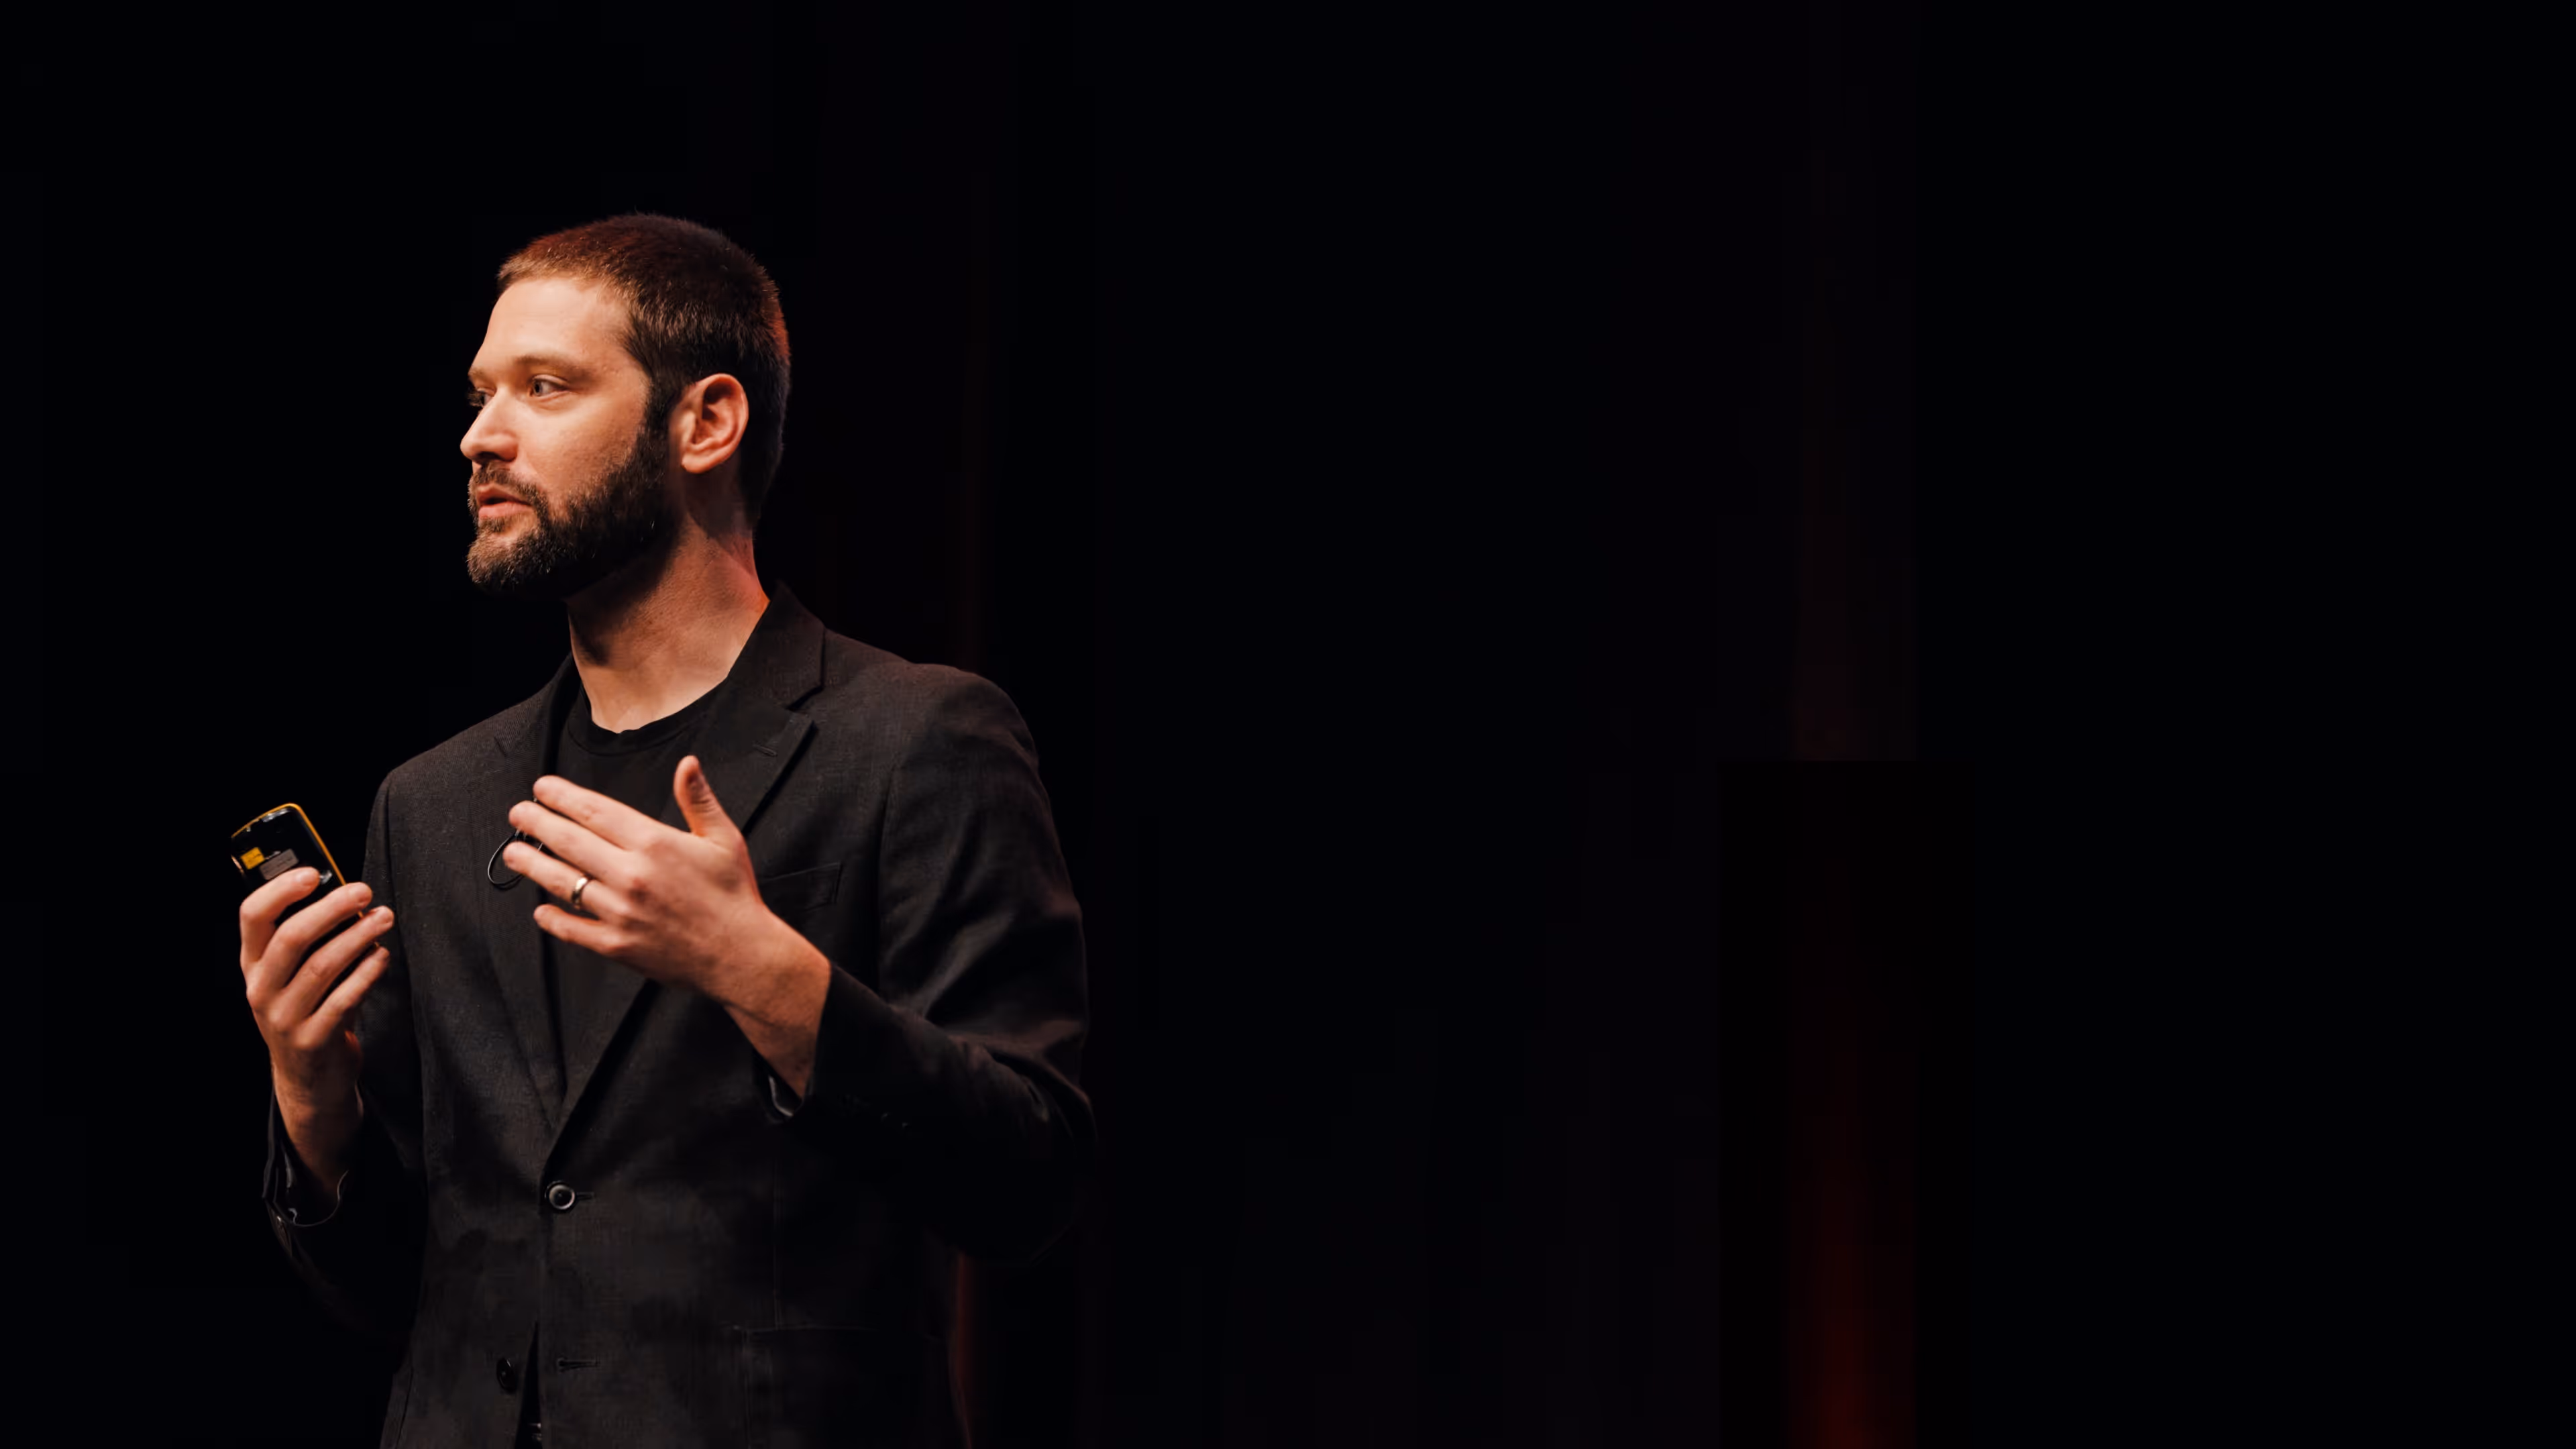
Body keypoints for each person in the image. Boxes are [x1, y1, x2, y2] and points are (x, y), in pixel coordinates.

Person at [237, 214, 1093, 1448]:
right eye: (482, 393)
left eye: (546, 387)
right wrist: (315, 1107)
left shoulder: (917, 741)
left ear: (706, 423)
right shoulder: (429, 804)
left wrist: (766, 974)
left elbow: (1032, 1181)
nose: (482, 435)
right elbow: (401, 1295)